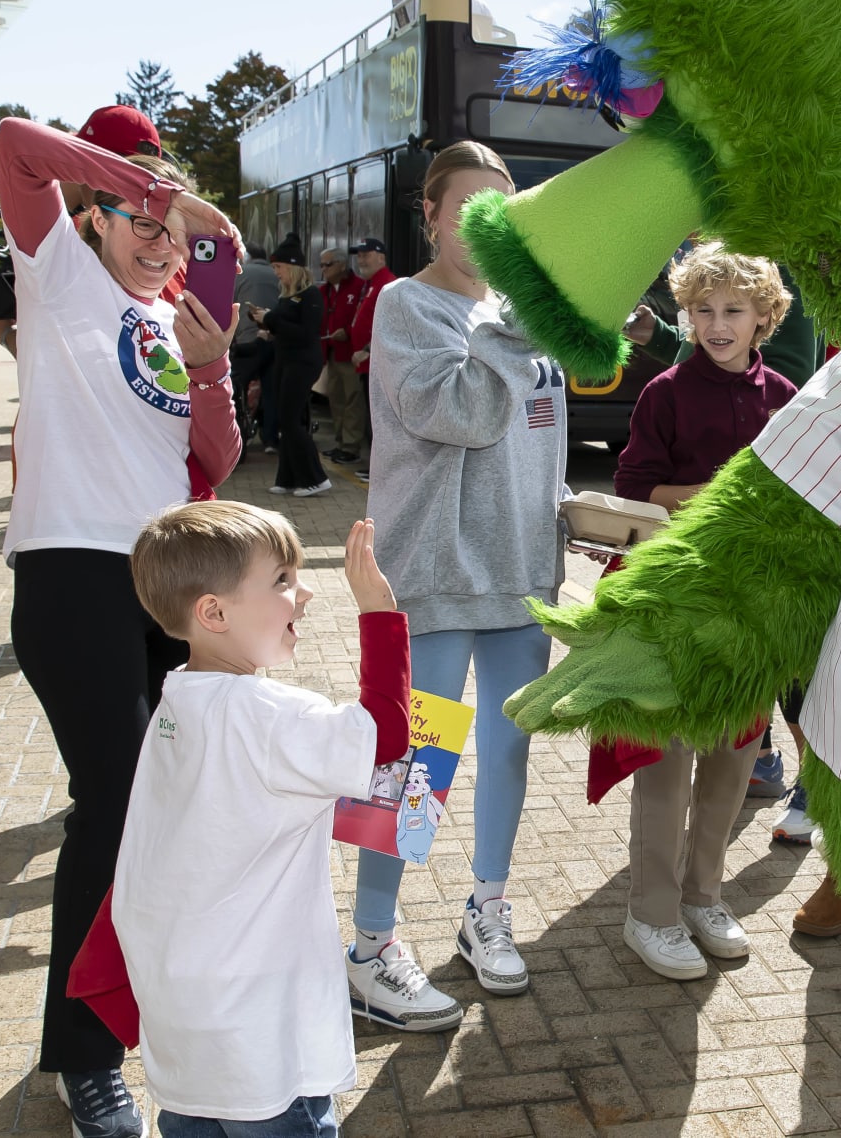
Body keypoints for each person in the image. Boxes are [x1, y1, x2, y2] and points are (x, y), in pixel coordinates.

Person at [0, 115, 242, 1138]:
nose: (159, 242)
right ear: (96, 219)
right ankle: (84, 1058)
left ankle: (139, 1011)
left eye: (174, 233)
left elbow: (212, 471)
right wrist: (156, 187)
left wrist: (216, 373)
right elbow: (13, 141)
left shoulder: (177, 320)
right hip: (70, 572)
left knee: (161, 806)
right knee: (114, 806)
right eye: (141, 221)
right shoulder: (57, 272)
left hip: (165, 582)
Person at [349, 140, 564, 1022]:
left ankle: (488, 911)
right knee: (416, 766)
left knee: (510, 753)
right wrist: (528, 321)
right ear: (429, 216)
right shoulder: (405, 304)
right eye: (462, 208)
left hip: (521, 578)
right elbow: (464, 415)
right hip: (434, 578)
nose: (480, 226)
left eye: (498, 213)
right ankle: (370, 944)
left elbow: (535, 434)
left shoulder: (520, 311)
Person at [117, 505, 411, 1138]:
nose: (302, 593)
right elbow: (385, 735)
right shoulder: (270, 714)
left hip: (183, 1014)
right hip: (260, 1030)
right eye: (282, 578)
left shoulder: (176, 700)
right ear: (214, 613)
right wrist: (379, 612)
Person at [610, 243, 797, 978]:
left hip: (752, 606)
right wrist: (724, 492)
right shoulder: (665, 392)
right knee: (667, 760)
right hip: (680, 600)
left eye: (732, 311)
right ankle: (649, 911)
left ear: (764, 318)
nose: (716, 324)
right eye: (702, 310)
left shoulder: (785, 395)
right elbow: (634, 487)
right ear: (684, 315)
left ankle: (703, 896)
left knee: (732, 758)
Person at [259, 240, 329, 497]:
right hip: (285, 360)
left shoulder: (311, 295)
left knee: (290, 421)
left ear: (293, 267)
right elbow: (285, 328)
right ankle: (288, 478)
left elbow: (307, 332)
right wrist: (268, 325)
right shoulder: (286, 295)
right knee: (286, 420)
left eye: (279, 267)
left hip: (302, 362)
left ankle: (315, 478)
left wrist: (270, 319)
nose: (276, 272)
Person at [344, 238, 396, 481]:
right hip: (366, 363)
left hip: (377, 363)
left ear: (381, 257)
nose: (361, 259)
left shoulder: (387, 283)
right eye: (359, 255)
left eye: (366, 254)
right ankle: (375, 467)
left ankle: (381, 471)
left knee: (378, 421)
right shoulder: (371, 284)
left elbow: (390, 326)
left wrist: (366, 349)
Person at [232, 244, 283, 453]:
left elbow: (229, 303)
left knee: (237, 388)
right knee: (271, 391)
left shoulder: (240, 273)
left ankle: (238, 438)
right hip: (275, 340)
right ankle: (270, 439)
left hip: (248, 342)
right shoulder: (277, 274)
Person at [319, 249, 365, 464]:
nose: (323, 269)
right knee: (336, 398)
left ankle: (351, 445)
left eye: (327, 264)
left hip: (349, 353)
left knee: (352, 400)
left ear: (341, 265)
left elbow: (360, 317)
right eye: (321, 265)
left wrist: (346, 331)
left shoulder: (358, 287)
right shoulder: (324, 291)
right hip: (332, 353)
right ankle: (340, 442)